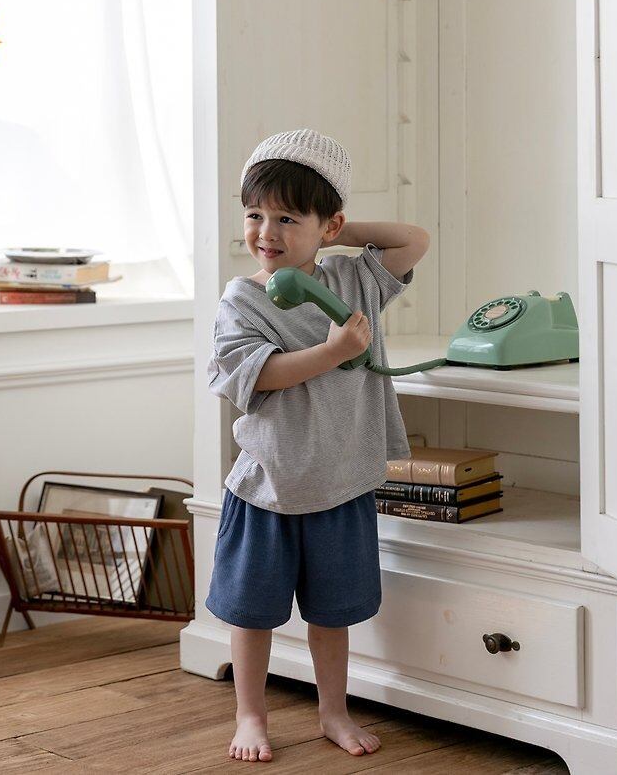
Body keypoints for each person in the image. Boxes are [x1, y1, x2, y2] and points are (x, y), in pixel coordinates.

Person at [205, 128, 430, 763]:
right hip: (270, 489)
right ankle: (251, 714)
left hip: (341, 484)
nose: (266, 232)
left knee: (333, 614)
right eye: (255, 215)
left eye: (287, 218)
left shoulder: (354, 280)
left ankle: (333, 711)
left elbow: (414, 240)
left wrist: (335, 230)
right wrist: (333, 352)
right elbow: (255, 377)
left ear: (327, 227)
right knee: (252, 614)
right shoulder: (242, 300)